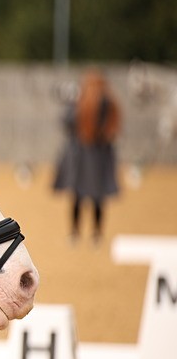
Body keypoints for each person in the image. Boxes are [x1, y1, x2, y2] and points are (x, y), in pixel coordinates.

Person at [53, 68, 121, 244]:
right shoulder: (89, 103)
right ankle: (90, 234)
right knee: (89, 197)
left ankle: (83, 233)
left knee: (85, 196)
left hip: (88, 158)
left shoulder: (99, 104)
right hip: (88, 158)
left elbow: (67, 123)